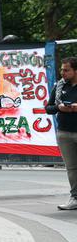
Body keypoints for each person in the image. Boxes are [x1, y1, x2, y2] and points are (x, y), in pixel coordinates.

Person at [47, 57, 77, 210]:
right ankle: (75, 198)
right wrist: (60, 108)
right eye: (61, 70)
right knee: (71, 168)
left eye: (66, 70)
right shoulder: (59, 86)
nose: (62, 73)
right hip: (64, 132)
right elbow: (48, 107)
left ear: (75, 71)